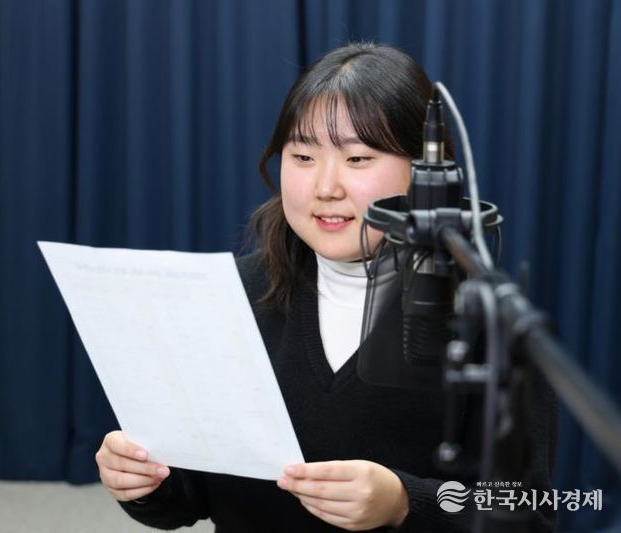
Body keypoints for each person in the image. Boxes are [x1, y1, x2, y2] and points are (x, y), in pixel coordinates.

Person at [95, 43, 557, 532]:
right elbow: (188, 496)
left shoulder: (490, 318)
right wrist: (143, 481)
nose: (325, 187)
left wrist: (404, 503)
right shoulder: (228, 296)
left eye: (357, 158)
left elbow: (529, 514)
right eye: (302, 156)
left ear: (425, 172)